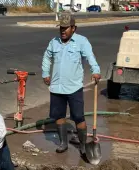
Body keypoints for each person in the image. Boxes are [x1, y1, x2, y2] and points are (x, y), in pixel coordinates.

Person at [41, 13, 101, 158]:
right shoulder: (54, 42)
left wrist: (96, 70)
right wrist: (45, 73)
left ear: (74, 28)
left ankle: (82, 145)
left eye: (66, 28)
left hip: (74, 88)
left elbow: (89, 57)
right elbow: (47, 57)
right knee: (58, 116)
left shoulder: (81, 41)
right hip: (56, 87)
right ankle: (63, 143)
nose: (63, 31)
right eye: (61, 27)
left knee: (79, 117)